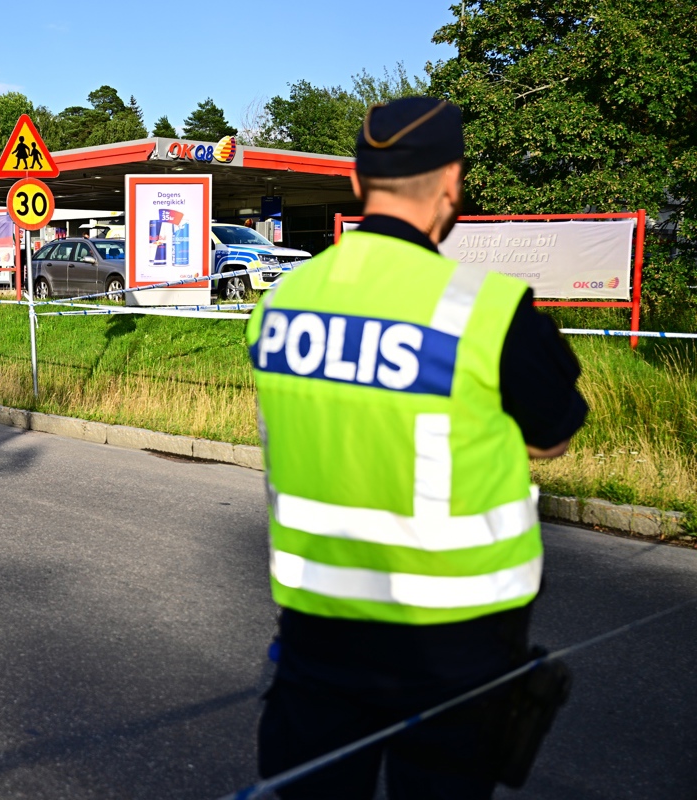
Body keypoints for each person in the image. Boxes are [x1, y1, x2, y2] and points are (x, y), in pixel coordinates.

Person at [245, 97, 588, 799]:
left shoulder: (282, 303)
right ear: (452, 183)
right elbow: (553, 434)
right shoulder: (485, 310)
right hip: (454, 645)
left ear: (355, 183)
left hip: (317, 632)